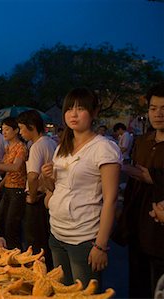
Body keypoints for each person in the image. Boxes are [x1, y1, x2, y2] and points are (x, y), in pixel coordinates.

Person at [41, 87, 121, 287]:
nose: (73, 114)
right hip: (57, 233)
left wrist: (101, 246)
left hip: (84, 237)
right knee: (62, 290)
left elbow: (110, 200)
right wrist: (47, 177)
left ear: (94, 112)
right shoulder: (62, 147)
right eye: (69, 109)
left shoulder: (103, 148)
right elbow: (55, 188)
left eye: (80, 108)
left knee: (84, 292)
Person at [113, 82, 164, 298]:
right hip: (137, 225)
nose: (158, 114)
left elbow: (145, 175)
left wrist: (149, 175)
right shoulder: (142, 141)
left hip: (160, 229)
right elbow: (135, 180)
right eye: (153, 108)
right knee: (137, 283)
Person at [17, 109, 57, 270]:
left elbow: (33, 176)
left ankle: (39, 278)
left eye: (21, 128)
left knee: (35, 243)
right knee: (45, 242)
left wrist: (32, 197)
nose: (21, 132)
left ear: (32, 126)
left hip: (38, 198)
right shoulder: (51, 142)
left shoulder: (37, 146)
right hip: (47, 196)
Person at [0, 117, 28, 250]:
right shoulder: (8, 147)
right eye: (3, 130)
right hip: (7, 188)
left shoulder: (21, 148)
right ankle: (4, 250)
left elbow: (15, 167)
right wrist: (0, 186)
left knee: (11, 225)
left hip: (18, 190)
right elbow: (8, 171)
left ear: (16, 130)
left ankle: (15, 254)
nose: (4, 133)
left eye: (7, 129)